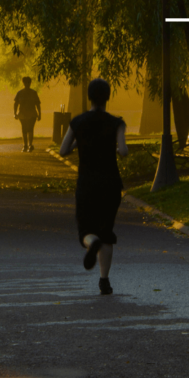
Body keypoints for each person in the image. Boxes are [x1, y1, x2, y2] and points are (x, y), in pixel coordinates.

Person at [60, 77, 128, 295]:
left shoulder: (78, 122)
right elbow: (123, 151)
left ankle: (92, 242)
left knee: (86, 231)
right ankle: (104, 281)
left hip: (87, 184)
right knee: (106, 231)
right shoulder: (116, 122)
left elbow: (63, 150)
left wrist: (80, 141)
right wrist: (117, 149)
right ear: (107, 97)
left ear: (89, 97)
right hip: (110, 184)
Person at [14, 76, 41, 152]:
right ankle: (25, 145)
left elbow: (37, 104)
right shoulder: (20, 93)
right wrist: (15, 113)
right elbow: (16, 104)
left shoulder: (33, 93)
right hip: (22, 114)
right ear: (23, 83)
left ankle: (30, 145)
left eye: (28, 83)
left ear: (30, 83)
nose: (27, 84)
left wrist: (39, 114)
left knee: (30, 129)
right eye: (26, 83)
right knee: (24, 129)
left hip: (32, 113)